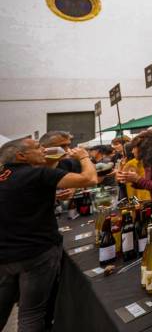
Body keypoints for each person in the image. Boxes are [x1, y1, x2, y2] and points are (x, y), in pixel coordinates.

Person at [0, 138, 97, 331]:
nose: (43, 150)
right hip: (36, 253)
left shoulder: (6, 175)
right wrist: (84, 157)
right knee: (31, 314)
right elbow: (90, 179)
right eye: (38, 148)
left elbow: (20, 199)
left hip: (5, 256)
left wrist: (51, 165)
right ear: (21, 155)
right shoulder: (37, 174)